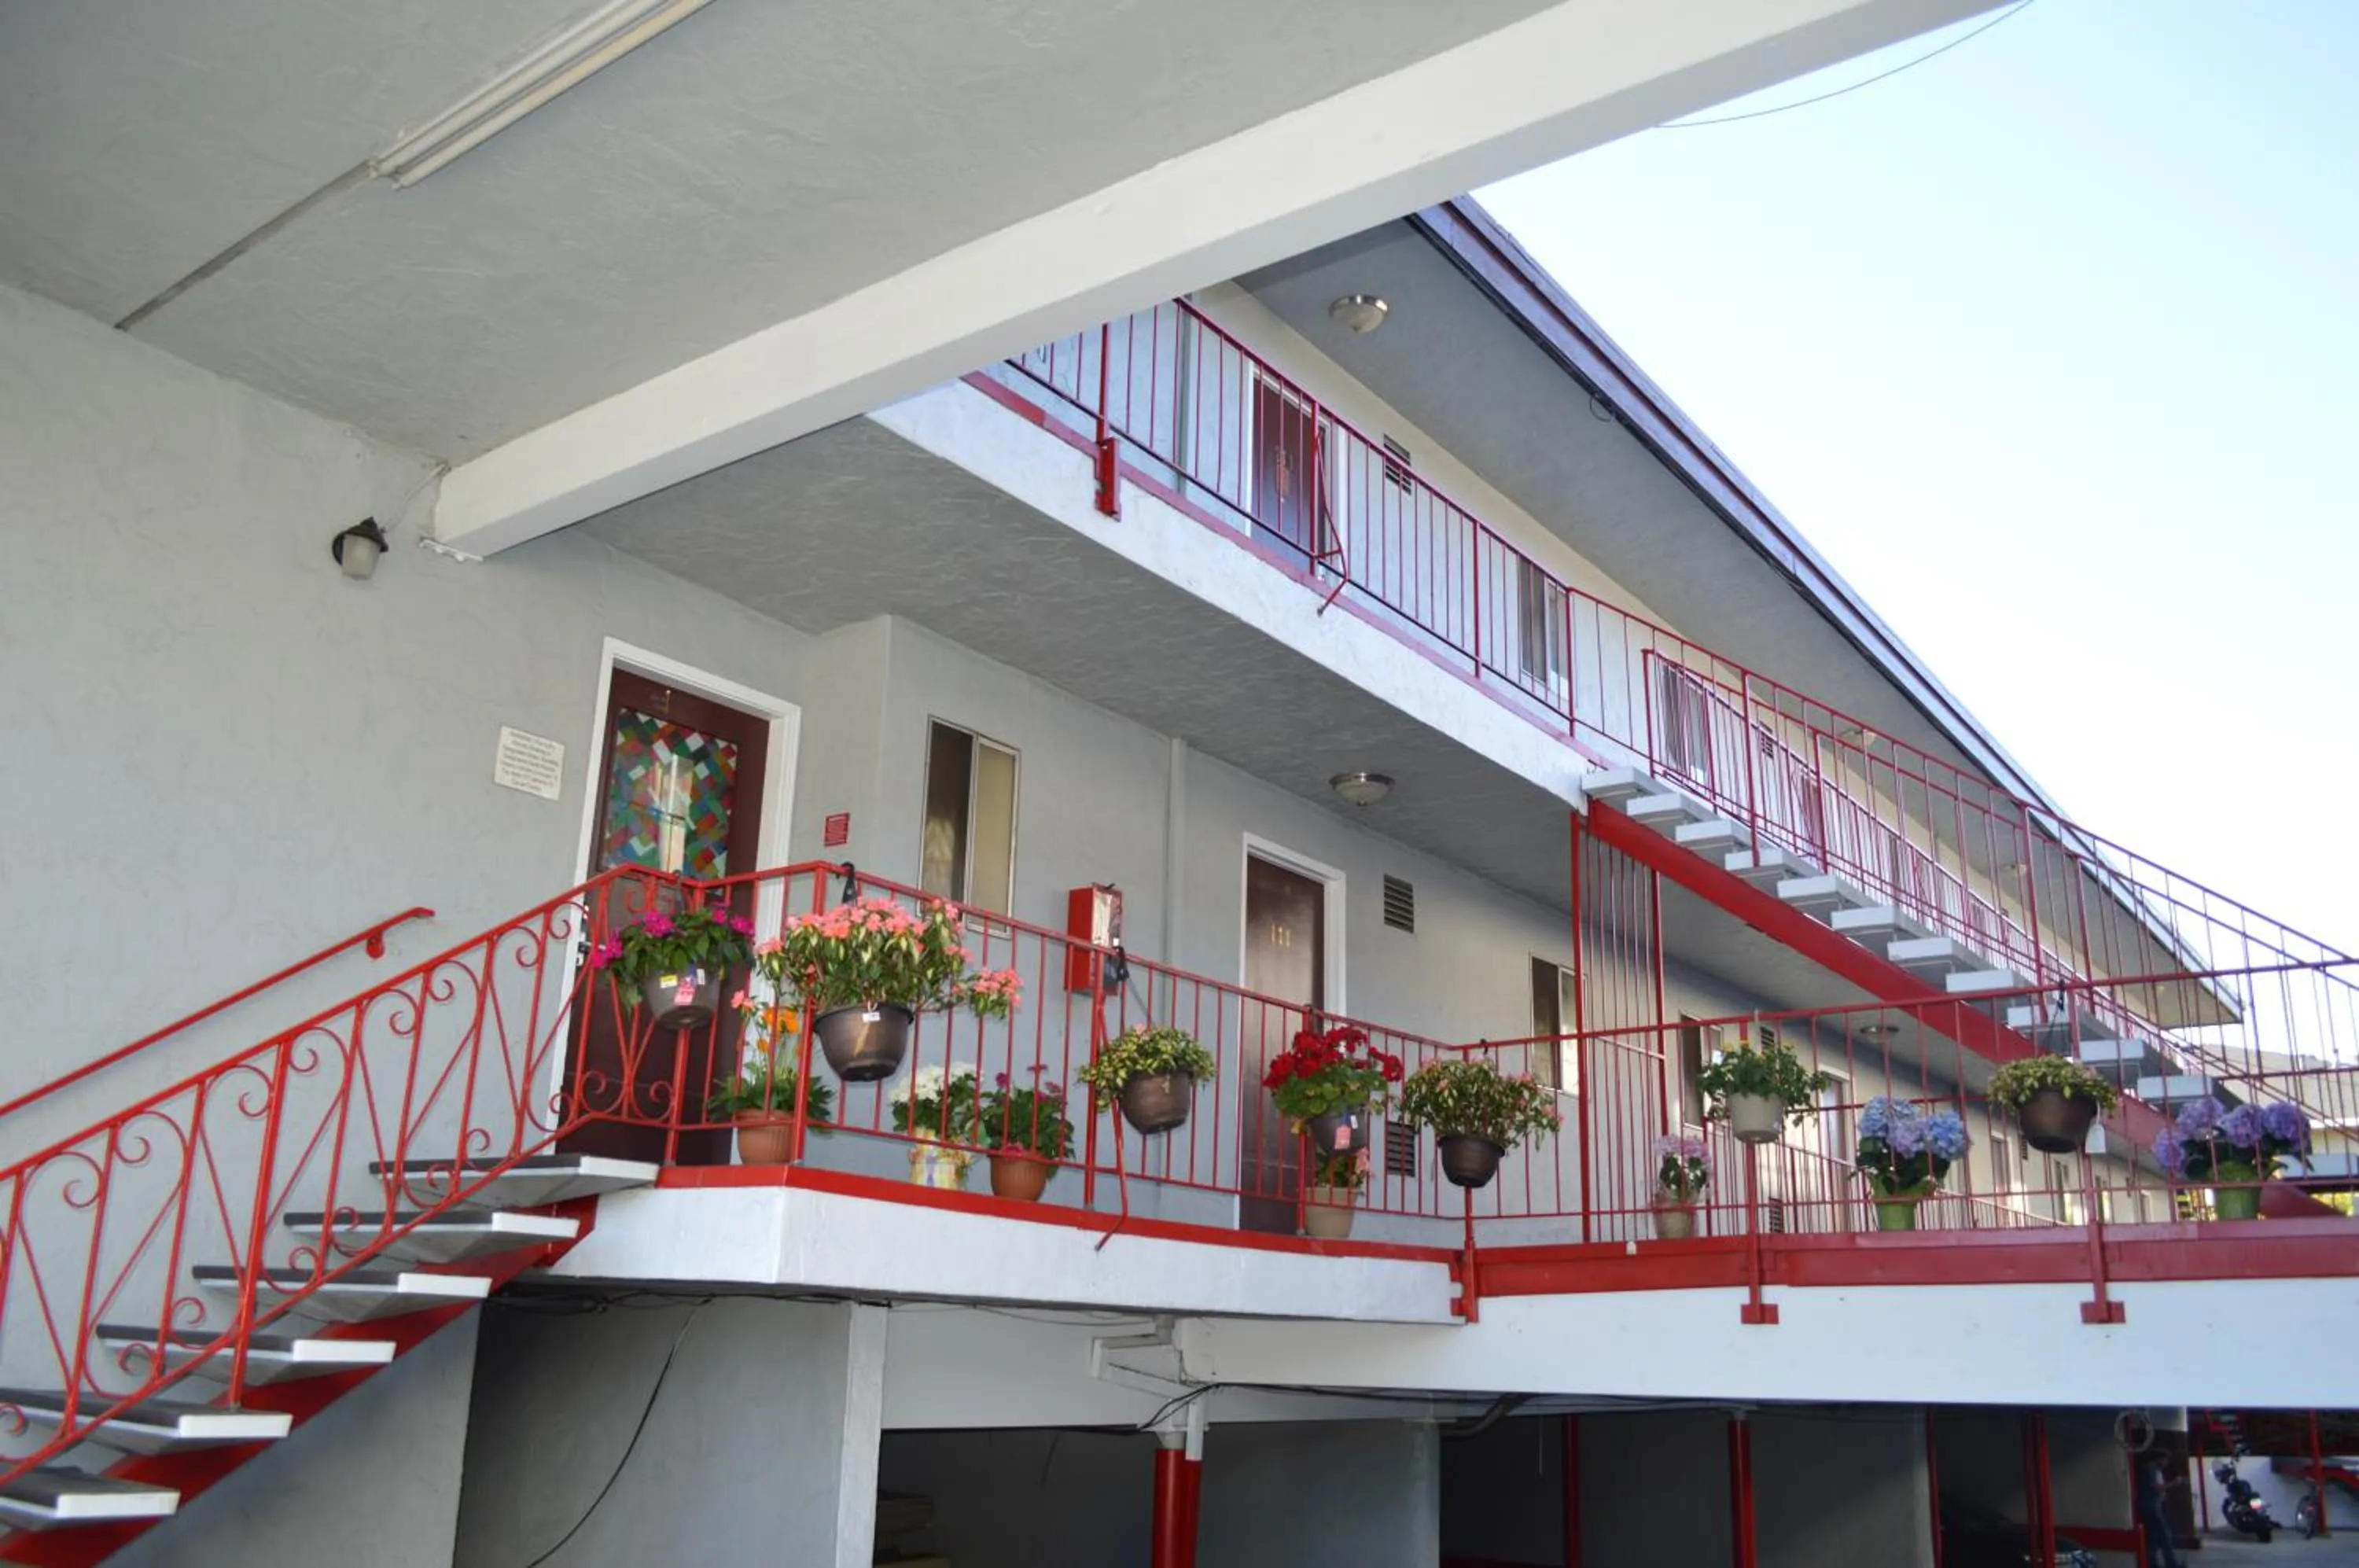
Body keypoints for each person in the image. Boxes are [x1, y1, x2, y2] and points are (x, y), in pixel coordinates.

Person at [2137, 1456, 2185, 1568]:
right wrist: (2173, 1483)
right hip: (2152, 1506)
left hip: (2152, 1506)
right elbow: (2155, 1487)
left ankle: (2152, 1562)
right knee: (2165, 1536)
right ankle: (2172, 1564)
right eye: (2165, 1460)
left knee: (2153, 1537)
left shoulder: (2154, 1469)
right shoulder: (2151, 1468)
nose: (2167, 1463)